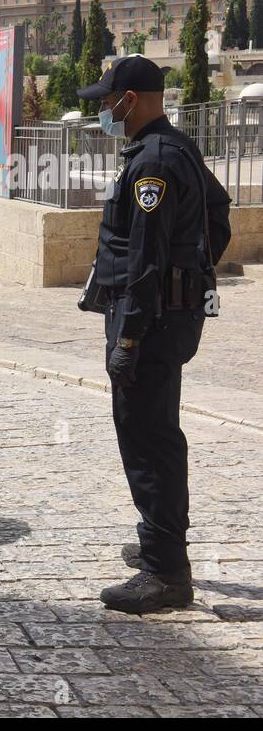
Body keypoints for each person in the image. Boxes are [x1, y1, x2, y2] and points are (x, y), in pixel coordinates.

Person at [79, 54, 231, 614]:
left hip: (147, 325)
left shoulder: (154, 166)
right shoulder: (175, 149)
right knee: (155, 432)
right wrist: (191, 280)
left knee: (147, 438)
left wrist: (130, 338)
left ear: (132, 99)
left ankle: (165, 572)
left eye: (108, 100)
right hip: (169, 317)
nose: (103, 109)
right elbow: (219, 214)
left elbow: (143, 259)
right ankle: (159, 542)